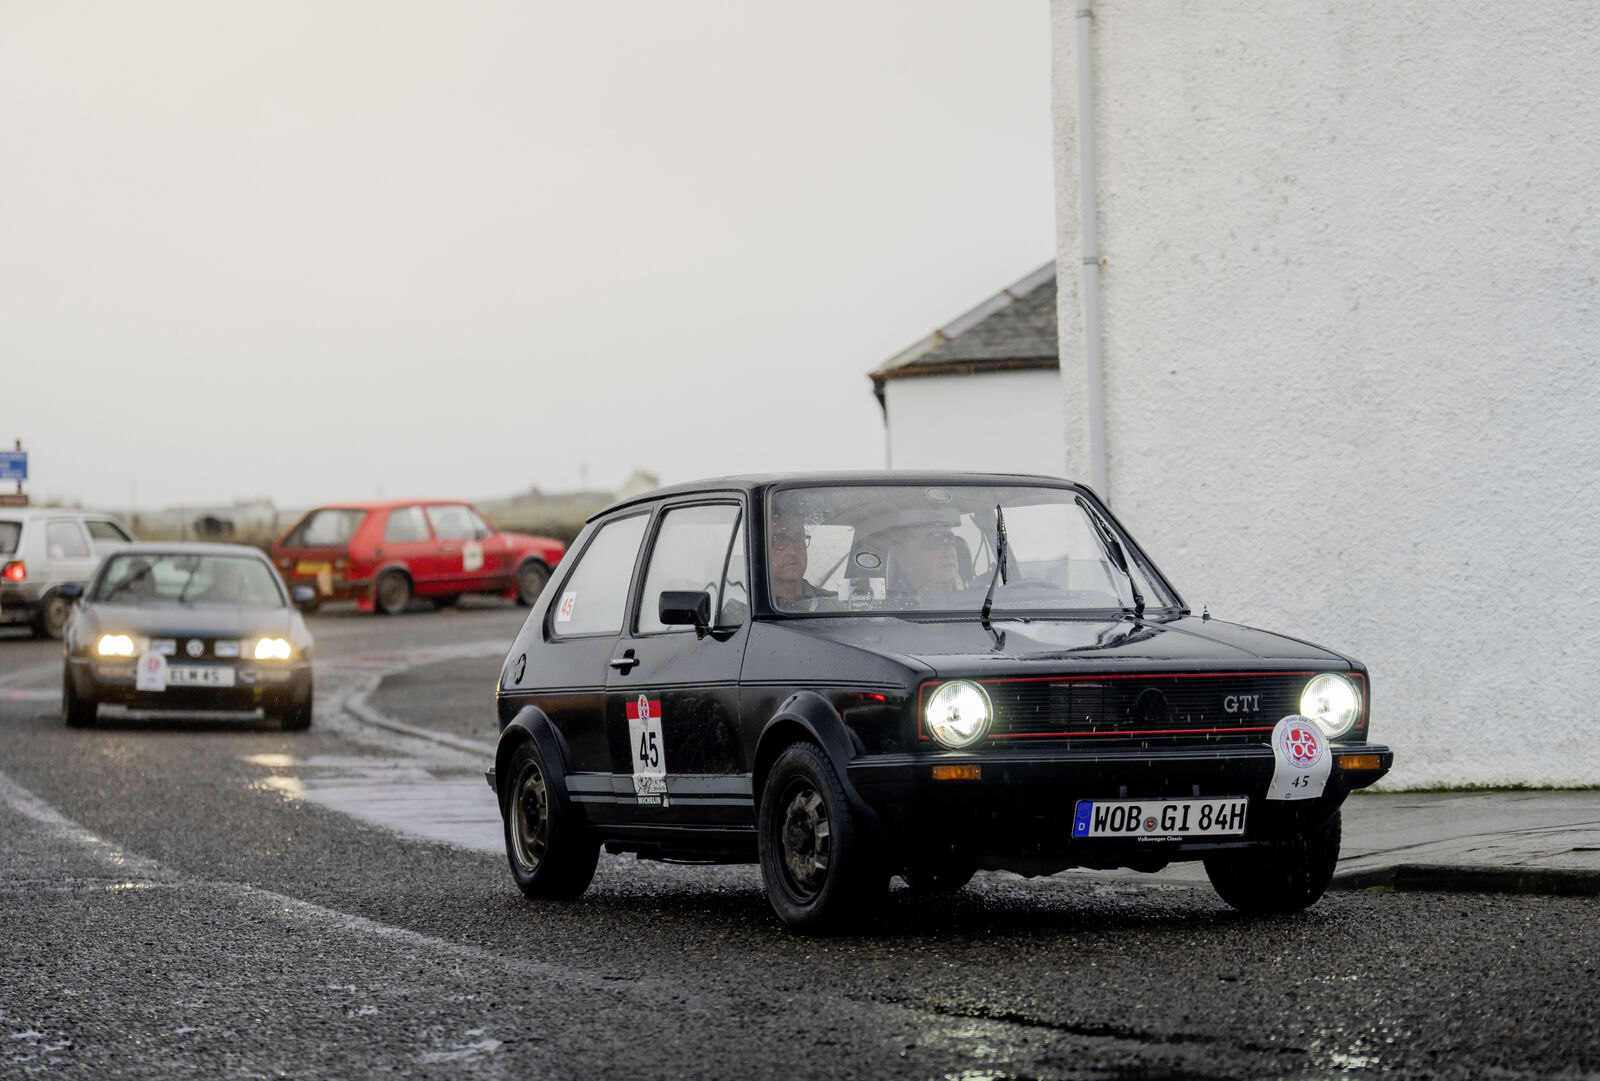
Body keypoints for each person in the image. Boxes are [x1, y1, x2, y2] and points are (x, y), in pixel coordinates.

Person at [886, 523, 966, 602]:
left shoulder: (975, 602)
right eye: (934, 543)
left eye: (949, 542)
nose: (948, 553)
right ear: (905, 562)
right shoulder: (893, 609)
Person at [768, 509, 829, 607]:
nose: (792, 552)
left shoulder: (831, 606)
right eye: (779, 540)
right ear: (761, 549)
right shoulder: (743, 609)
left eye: (798, 539)